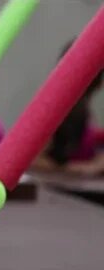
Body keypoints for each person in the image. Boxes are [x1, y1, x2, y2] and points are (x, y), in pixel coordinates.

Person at [32, 39, 104, 176]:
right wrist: (70, 168)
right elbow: (31, 159)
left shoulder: (83, 111)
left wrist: (95, 164)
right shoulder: (51, 112)